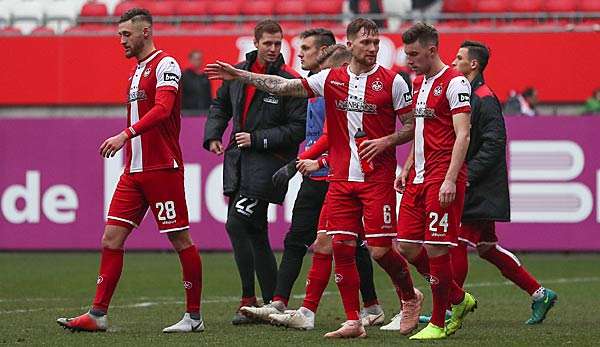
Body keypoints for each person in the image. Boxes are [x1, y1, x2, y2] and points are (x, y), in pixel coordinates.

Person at [206, 17, 422, 339]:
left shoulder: (394, 82)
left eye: (376, 43)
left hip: (374, 180)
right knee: (342, 246)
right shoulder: (331, 79)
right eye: (366, 43)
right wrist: (240, 75)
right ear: (349, 46)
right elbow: (282, 85)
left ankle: (409, 297)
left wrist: (387, 141)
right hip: (339, 179)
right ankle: (353, 320)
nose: (373, 48)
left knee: (378, 251)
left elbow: (410, 127)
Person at [56, 8, 203, 333]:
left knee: (180, 240)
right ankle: (97, 314)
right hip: (133, 172)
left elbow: (163, 110)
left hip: (162, 168)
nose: (120, 40)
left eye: (126, 34)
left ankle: (194, 317)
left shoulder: (166, 64)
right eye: (119, 34)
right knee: (111, 237)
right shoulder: (135, 72)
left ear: (145, 32)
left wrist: (125, 134)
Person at [240, 31, 384, 328]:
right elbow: (322, 135)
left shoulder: (340, 90)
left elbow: (344, 139)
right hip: (317, 177)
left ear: (324, 52)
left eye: (306, 48)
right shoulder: (315, 89)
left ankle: (378, 305)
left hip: (338, 177)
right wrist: (298, 164)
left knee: (353, 246)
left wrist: (315, 161)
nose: (300, 53)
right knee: (303, 242)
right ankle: (285, 304)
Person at [203, 19, 307, 325]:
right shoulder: (236, 73)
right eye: (268, 43)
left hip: (270, 163)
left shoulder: (289, 81)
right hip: (239, 161)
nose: (274, 49)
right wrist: (213, 134)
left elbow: (297, 129)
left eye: (278, 43)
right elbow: (220, 105)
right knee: (255, 231)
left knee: (236, 223)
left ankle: (248, 300)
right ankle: (272, 302)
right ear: (256, 42)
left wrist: (259, 139)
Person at [449, 40, 558, 324]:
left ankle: (451, 307)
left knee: (456, 241)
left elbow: (495, 142)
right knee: (487, 248)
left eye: (459, 57)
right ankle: (540, 294)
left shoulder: (484, 97)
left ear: (473, 64)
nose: (453, 61)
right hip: (479, 184)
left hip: (479, 186)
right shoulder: (468, 93)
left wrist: (468, 175)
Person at [394, 22, 476, 340]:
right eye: (406, 53)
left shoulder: (455, 84)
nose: (409, 60)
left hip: (442, 177)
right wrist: (407, 166)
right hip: (418, 175)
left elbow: (463, 133)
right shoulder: (418, 82)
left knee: (437, 248)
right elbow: (420, 130)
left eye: (414, 54)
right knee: (408, 246)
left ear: (431, 50)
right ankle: (457, 297)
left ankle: (440, 323)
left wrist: (451, 179)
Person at [181, 50, 212, 115]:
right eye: (195, 59)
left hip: (204, 111)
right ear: (190, 60)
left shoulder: (205, 77)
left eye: (199, 59)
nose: (197, 61)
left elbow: (208, 95)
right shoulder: (184, 76)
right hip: (188, 112)